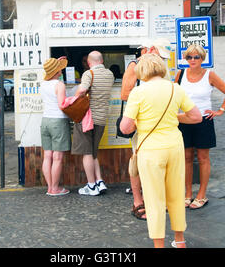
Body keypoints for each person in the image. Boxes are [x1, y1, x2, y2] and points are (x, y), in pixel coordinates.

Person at [120, 54, 202, 248]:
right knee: (175, 193)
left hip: (151, 149)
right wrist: (174, 118)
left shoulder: (138, 92)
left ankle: (159, 244)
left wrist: (140, 122)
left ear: (142, 70)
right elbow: (196, 117)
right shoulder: (176, 88)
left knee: (154, 197)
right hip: (174, 145)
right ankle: (180, 240)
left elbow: (125, 128)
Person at [175, 45, 225, 210]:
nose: (193, 60)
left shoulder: (209, 74)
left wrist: (220, 111)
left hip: (203, 120)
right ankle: (188, 194)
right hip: (184, 120)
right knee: (186, 157)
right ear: (185, 59)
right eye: (189, 57)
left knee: (203, 158)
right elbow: (173, 94)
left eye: (196, 57)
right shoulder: (180, 74)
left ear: (202, 58)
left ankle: (202, 194)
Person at [72, 51, 114, 196]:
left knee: (87, 153)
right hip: (102, 119)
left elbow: (82, 90)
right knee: (94, 152)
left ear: (89, 62)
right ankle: (99, 181)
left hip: (88, 119)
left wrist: (75, 97)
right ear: (102, 60)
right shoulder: (110, 74)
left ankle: (90, 186)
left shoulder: (89, 74)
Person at [121, 38, 152, 220]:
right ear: (145, 50)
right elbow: (125, 94)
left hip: (155, 128)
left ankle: (151, 200)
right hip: (139, 125)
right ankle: (138, 201)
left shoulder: (158, 68)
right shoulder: (135, 66)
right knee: (138, 162)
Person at [40, 57, 71, 196]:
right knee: (57, 157)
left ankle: (49, 187)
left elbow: (47, 74)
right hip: (58, 121)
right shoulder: (59, 85)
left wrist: (54, 64)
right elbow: (62, 105)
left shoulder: (43, 84)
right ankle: (55, 188)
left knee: (47, 156)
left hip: (45, 120)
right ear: (57, 70)